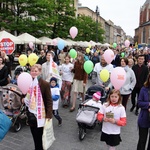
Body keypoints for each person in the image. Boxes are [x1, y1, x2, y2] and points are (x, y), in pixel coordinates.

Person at [24, 64, 52, 150]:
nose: (33, 72)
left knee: (39, 136)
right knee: (35, 136)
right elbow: (25, 94)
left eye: (36, 71)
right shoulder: (28, 82)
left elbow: (49, 101)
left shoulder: (45, 84)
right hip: (31, 114)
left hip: (40, 115)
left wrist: (49, 115)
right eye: (32, 70)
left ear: (40, 72)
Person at [137, 73, 150, 150]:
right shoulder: (144, 89)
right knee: (142, 140)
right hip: (144, 118)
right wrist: (148, 104)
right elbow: (139, 103)